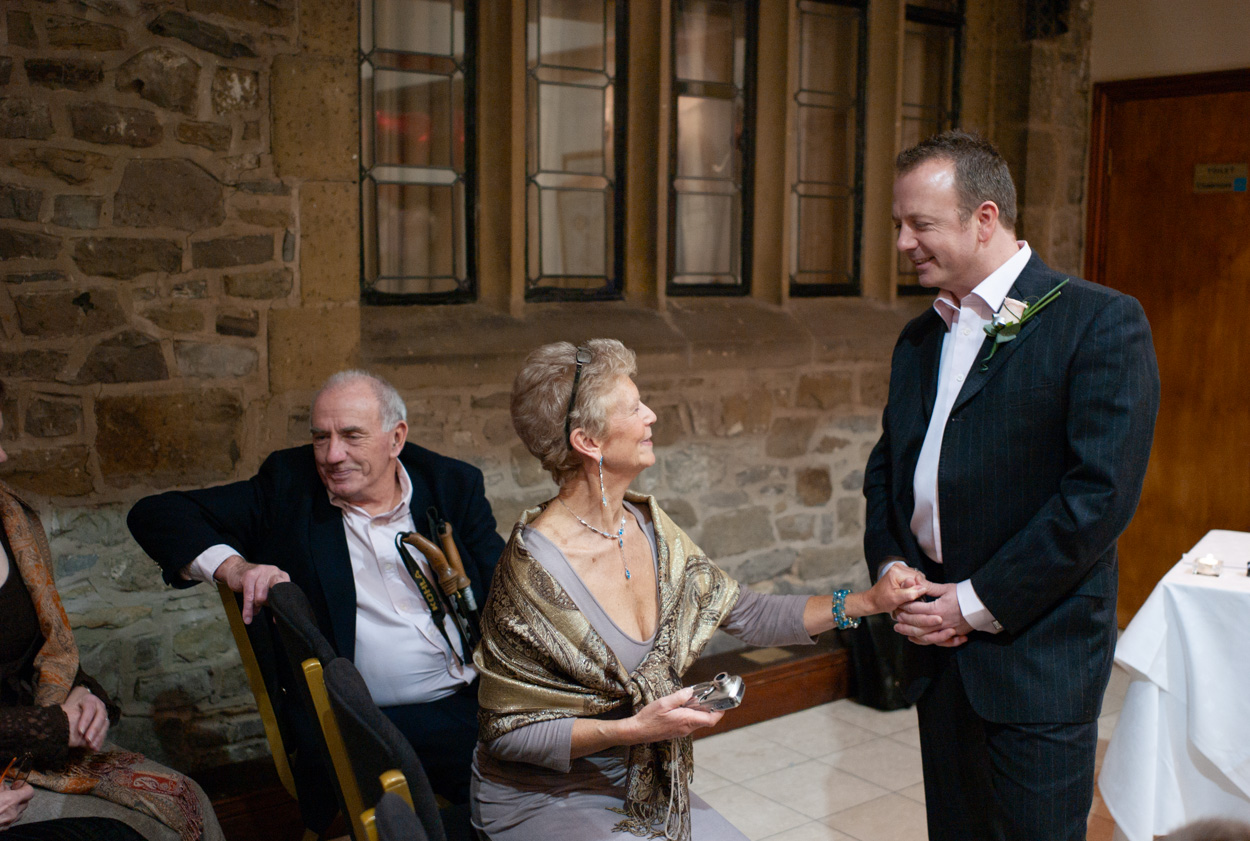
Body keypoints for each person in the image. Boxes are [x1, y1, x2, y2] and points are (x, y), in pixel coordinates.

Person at [471, 339, 929, 841]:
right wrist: (634, 731)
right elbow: (508, 732)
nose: (651, 415)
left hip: (634, 778)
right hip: (539, 793)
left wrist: (869, 602)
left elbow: (746, 614)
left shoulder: (647, 524)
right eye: (632, 408)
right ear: (589, 443)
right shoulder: (532, 567)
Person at [864, 130, 1160, 841]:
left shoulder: (1098, 322)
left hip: (1035, 656)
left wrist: (972, 603)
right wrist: (891, 565)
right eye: (898, 225)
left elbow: (1097, 498)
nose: (904, 241)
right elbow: (887, 471)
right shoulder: (919, 338)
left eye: (921, 224)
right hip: (937, 656)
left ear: (985, 218)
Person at [126, 370, 505, 821]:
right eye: (320, 437)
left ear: (395, 438)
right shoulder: (290, 486)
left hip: (472, 698)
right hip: (364, 721)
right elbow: (155, 514)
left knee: (561, 760)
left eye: (351, 436)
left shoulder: (450, 484)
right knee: (514, 783)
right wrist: (237, 567)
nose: (332, 455)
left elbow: (506, 592)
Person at [0, 380, 223, 841]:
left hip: (27, 753)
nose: (3, 457)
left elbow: (40, 648)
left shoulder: (11, 519)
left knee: (185, 798)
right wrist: (57, 725)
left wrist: (84, 697)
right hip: (20, 760)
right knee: (119, 833)